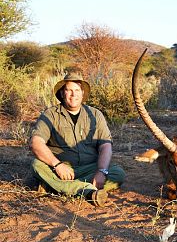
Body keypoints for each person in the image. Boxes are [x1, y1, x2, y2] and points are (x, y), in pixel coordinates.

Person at [30, 73, 125, 206]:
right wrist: (57, 165)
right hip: (61, 170)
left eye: (77, 90)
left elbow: (105, 146)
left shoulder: (96, 114)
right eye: (69, 90)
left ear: (82, 93)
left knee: (118, 173)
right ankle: (88, 191)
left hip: (89, 167)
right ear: (63, 93)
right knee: (37, 165)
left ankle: (55, 187)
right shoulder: (50, 114)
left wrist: (101, 171)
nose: (73, 95)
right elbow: (36, 143)